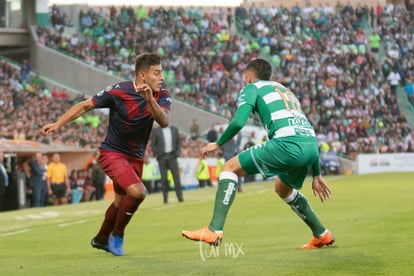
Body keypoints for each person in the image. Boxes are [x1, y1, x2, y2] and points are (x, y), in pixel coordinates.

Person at [182, 58, 334, 249]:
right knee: (283, 188)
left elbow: (239, 122)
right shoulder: (285, 91)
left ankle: (214, 230)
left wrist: (217, 143)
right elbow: (303, 126)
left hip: (286, 144)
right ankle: (321, 234)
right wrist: (317, 173)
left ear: (248, 77)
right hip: (311, 146)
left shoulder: (251, 88)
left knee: (229, 168)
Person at [40, 52, 171, 256]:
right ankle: (117, 235)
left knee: (120, 203)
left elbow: (164, 122)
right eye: (157, 73)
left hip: (136, 157)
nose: (162, 78)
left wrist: (150, 101)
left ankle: (101, 238)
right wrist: (58, 124)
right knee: (138, 192)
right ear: (143, 76)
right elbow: (85, 106)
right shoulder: (119, 91)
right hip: (113, 153)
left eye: (161, 73)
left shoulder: (160, 94)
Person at [151, 125, 184, 203]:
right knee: (164, 179)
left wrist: (177, 153)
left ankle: (180, 197)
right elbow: (153, 144)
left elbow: (178, 142)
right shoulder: (156, 130)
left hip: (172, 156)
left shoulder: (175, 129)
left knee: (176, 178)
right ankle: (165, 199)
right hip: (162, 157)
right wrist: (157, 155)